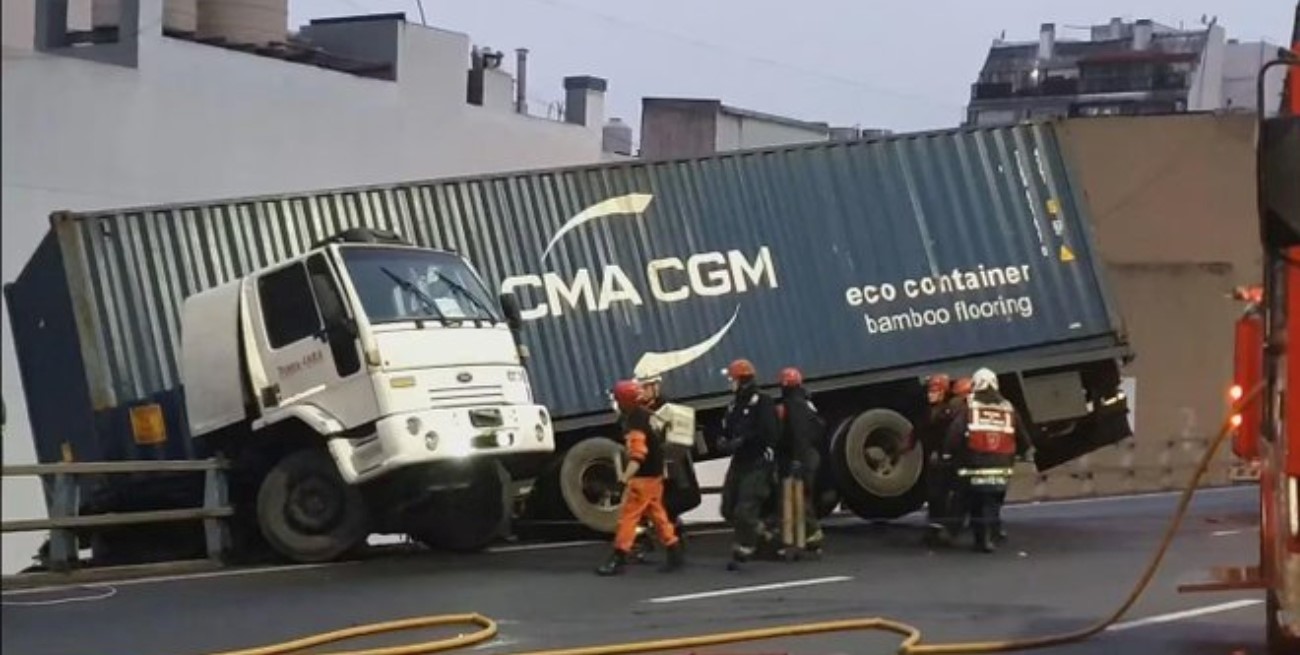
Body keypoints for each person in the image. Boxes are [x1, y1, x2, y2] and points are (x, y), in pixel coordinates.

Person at [596, 380, 684, 575]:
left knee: (629, 517)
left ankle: (618, 557)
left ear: (624, 401)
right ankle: (674, 550)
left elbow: (638, 454)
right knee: (658, 515)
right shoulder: (646, 414)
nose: (615, 403)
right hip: (655, 474)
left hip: (643, 477)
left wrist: (624, 479)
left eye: (617, 399)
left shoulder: (635, 421)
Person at [942, 368, 1031, 553]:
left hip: (974, 464)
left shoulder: (970, 407)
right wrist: (1025, 452)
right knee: (992, 502)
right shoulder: (1008, 408)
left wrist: (948, 452)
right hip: (1002, 466)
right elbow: (1022, 436)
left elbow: (955, 433)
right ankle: (992, 534)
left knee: (967, 497)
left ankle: (957, 533)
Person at [718, 358, 781, 570]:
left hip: (757, 461)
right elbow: (727, 428)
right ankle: (766, 533)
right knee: (728, 508)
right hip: (739, 461)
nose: (730, 383)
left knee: (746, 509)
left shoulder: (763, 402)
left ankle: (744, 549)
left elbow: (770, 432)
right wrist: (724, 440)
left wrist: (745, 441)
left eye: (732, 379)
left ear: (742, 380)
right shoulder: (734, 405)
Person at [630, 375, 693, 563]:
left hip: (669, 464)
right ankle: (646, 543)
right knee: (648, 507)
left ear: (655, 387)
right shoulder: (637, 410)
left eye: (645, 387)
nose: (641, 392)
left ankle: (676, 543)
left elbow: (676, 436)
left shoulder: (667, 408)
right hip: (651, 464)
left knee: (668, 505)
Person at [773, 367, 825, 556]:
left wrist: (796, 460)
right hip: (808, 455)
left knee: (793, 498)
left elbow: (798, 434)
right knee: (801, 496)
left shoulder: (793, 404)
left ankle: (800, 538)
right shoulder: (806, 402)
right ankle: (808, 538)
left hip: (798, 457)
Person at [916, 374, 961, 547]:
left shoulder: (948, 412)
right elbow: (919, 430)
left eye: (935, 391)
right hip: (932, 458)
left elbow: (950, 435)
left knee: (941, 494)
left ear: (943, 392)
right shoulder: (928, 411)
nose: (931, 394)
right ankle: (935, 528)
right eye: (930, 391)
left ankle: (942, 529)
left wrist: (943, 453)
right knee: (933, 495)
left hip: (944, 459)